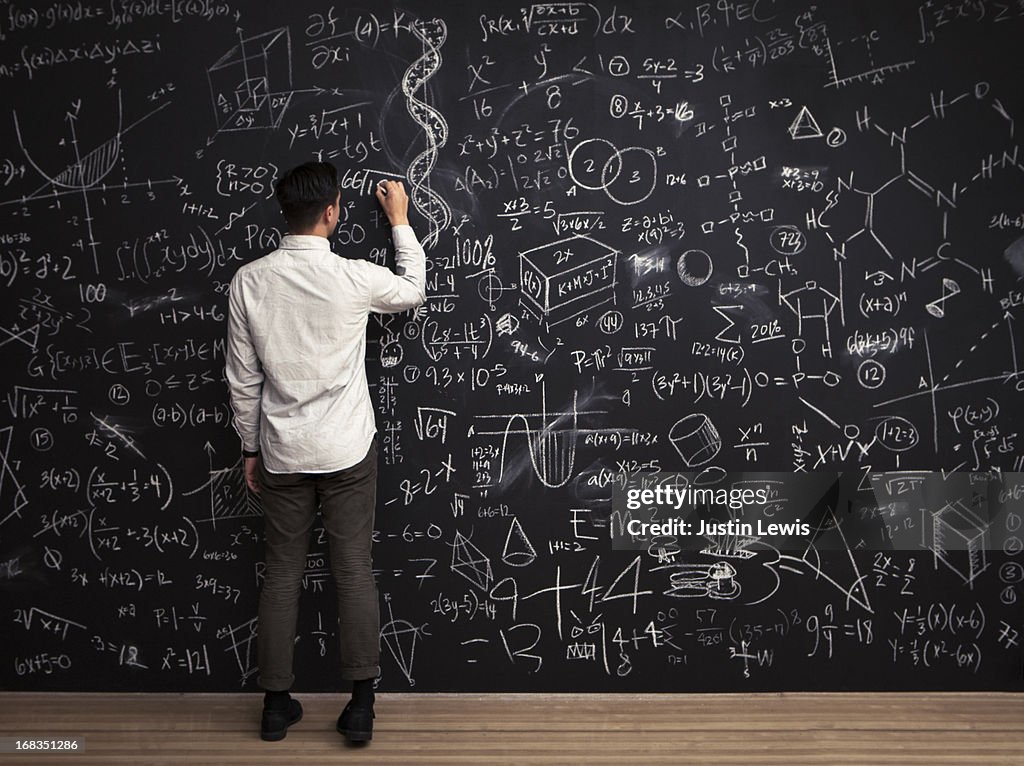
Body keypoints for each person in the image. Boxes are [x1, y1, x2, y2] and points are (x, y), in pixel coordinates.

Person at [224, 161, 426, 743]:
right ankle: (360, 706)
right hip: (346, 450)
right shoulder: (354, 277)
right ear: (333, 212)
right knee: (354, 572)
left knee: (281, 575)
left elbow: (243, 380)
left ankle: (274, 706)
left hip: (282, 452)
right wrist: (399, 221)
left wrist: (249, 448)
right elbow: (413, 290)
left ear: (283, 213)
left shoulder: (249, 281)